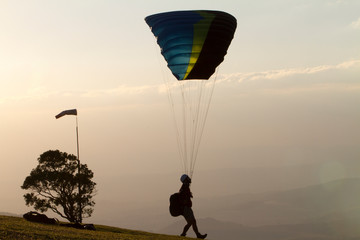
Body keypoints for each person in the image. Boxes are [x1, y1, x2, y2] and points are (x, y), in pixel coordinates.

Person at [179, 174, 207, 239]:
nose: (189, 179)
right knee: (190, 222)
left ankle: (198, 235)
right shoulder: (184, 189)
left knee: (193, 222)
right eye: (187, 178)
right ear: (185, 180)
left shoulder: (186, 187)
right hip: (186, 209)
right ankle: (183, 234)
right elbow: (183, 199)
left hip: (188, 208)